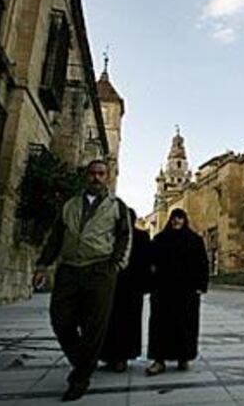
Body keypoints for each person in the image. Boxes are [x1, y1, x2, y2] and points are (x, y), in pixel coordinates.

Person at [32, 159, 132, 401]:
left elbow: (124, 238)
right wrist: (43, 265)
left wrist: (115, 266)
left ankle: (80, 377)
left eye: (101, 173)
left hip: (100, 270)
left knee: (94, 326)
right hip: (69, 269)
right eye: (92, 173)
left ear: (107, 177)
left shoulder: (117, 207)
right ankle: (82, 360)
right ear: (86, 176)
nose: (96, 177)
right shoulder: (70, 205)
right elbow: (56, 237)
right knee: (60, 319)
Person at [145, 208, 209, 376]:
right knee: (160, 326)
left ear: (184, 220)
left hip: (186, 293)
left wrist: (201, 286)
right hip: (163, 292)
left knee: (185, 325)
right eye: (174, 218)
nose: (177, 222)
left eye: (180, 218)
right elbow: (150, 263)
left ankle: (184, 357)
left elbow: (202, 263)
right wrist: (151, 284)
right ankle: (159, 360)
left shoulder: (194, 240)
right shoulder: (160, 240)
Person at [99, 208, 152, 372]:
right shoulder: (110, 236)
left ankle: (123, 357)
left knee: (128, 323)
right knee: (110, 322)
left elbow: (147, 263)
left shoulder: (141, 237)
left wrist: (145, 285)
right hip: (112, 286)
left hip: (132, 288)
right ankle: (109, 356)